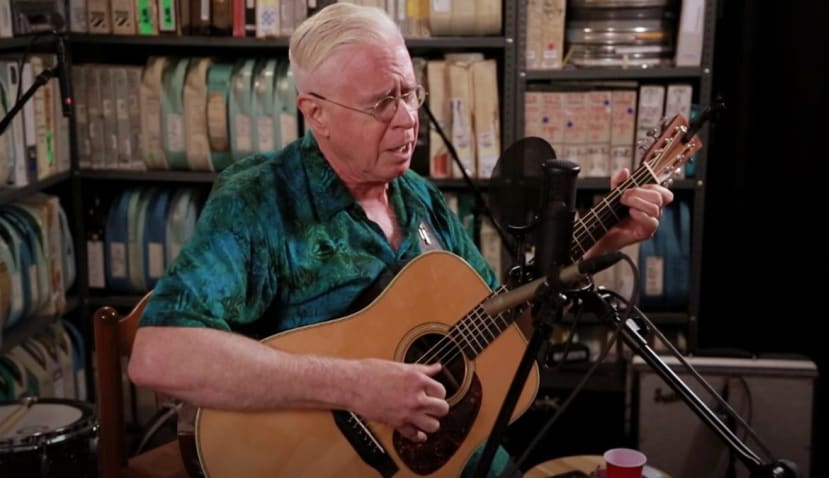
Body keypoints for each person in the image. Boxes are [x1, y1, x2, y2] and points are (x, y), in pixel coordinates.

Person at [127, 3, 673, 477]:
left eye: (411, 92)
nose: (409, 118)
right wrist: (354, 386)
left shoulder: (419, 198)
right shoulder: (259, 201)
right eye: (381, 102)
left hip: (443, 457)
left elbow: (499, 319)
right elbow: (160, 356)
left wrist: (599, 240)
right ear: (315, 113)